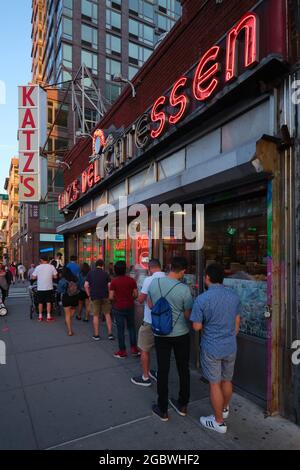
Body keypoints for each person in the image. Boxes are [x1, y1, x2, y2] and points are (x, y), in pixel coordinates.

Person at [191, 263, 241, 434]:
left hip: (211, 346)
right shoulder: (233, 296)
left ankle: (218, 422)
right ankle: (224, 409)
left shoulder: (202, 299)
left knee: (214, 384)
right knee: (227, 380)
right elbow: (236, 325)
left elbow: (196, 326)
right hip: (230, 345)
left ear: (207, 278)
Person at [148, 257, 193, 422]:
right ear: (182, 271)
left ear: (169, 267)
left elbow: (151, 306)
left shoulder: (154, 283)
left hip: (161, 334)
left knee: (163, 370)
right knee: (183, 369)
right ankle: (182, 404)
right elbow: (188, 315)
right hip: (181, 334)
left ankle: (162, 408)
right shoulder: (184, 289)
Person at [131, 259, 166, 387]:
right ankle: (158, 373)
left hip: (150, 321)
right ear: (160, 267)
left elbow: (141, 299)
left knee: (144, 349)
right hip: (165, 322)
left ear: (150, 268)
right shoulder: (168, 278)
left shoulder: (148, 280)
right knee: (162, 350)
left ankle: (145, 377)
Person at [109, 260, 140, 358]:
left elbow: (110, 297)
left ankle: (122, 351)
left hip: (118, 307)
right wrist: (130, 298)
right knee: (131, 328)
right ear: (125, 270)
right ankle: (134, 349)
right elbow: (136, 294)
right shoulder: (131, 280)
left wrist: (115, 300)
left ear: (115, 270)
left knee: (120, 329)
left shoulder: (114, 281)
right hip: (130, 306)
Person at [85, 259, 114, 341]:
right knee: (107, 314)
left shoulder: (90, 273)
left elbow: (86, 285)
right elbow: (109, 285)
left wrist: (89, 295)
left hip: (94, 296)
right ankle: (110, 334)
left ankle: (96, 335)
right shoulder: (106, 273)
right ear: (102, 266)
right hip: (105, 296)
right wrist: (109, 294)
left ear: (95, 265)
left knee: (96, 315)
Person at [32, 256, 58, 322]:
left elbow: (33, 277)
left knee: (40, 302)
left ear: (41, 260)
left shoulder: (38, 267)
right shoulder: (51, 266)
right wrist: (50, 276)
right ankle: (48, 316)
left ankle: (40, 316)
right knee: (48, 302)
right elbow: (55, 277)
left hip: (40, 288)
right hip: (49, 287)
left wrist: (39, 276)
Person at [58, 267, 80, 336]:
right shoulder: (75, 278)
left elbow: (60, 291)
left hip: (66, 297)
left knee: (67, 315)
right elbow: (78, 287)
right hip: (75, 297)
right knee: (71, 313)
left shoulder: (62, 280)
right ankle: (67, 320)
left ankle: (70, 331)